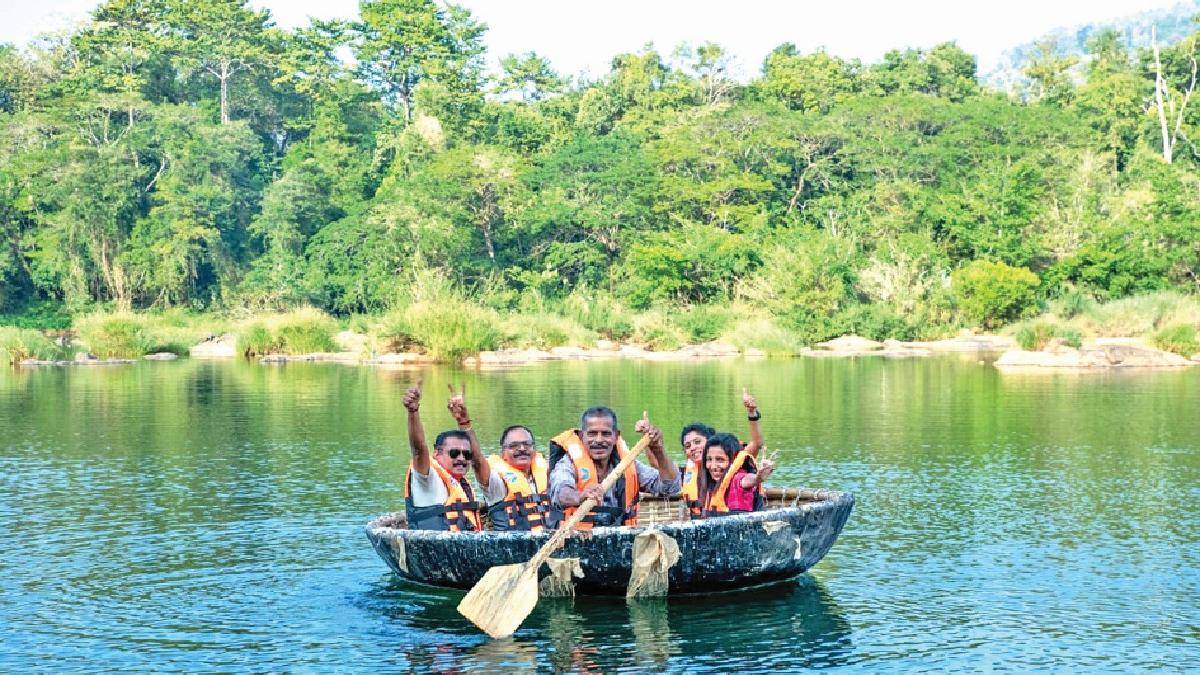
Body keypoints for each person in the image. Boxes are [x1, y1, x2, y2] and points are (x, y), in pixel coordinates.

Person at [547, 406, 679, 529]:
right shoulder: (567, 463)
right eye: (592, 433)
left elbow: (670, 488)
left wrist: (658, 450)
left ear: (616, 436)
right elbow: (561, 492)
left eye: (605, 434)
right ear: (582, 436)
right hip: (576, 540)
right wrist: (580, 496)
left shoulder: (627, 464)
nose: (598, 440)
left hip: (620, 541)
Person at [401, 381, 487, 532]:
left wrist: (464, 422)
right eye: (454, 453)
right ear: (436, 454)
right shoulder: (427, 478)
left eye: (466, 454)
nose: (461, 458)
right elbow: (418, 448)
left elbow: (478, 459)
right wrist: (413, 412)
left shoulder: (461, 484)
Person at [678, 389, 764, 517]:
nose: (693, 448)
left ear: (710, 441)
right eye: (688, 446)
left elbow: (757, 444)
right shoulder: (688, 473)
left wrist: (752, 413)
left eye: (697, 442)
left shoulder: (730, 459)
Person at [480, 425, 552, 532]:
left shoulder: (547, 473)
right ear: (503, 452)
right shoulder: (496, 483)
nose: (522, 449)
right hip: (515, 545)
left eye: (527, 444)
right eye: (514, 446)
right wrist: (466, 427)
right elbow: (477, 464)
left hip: (553, 541)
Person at [697, 432, 775, 517]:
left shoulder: (738, 479)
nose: (713, 466)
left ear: (733, 459)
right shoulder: (710, 485)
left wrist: (758, 477)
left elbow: (749, 480)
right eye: (709, 459)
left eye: (720, 460)